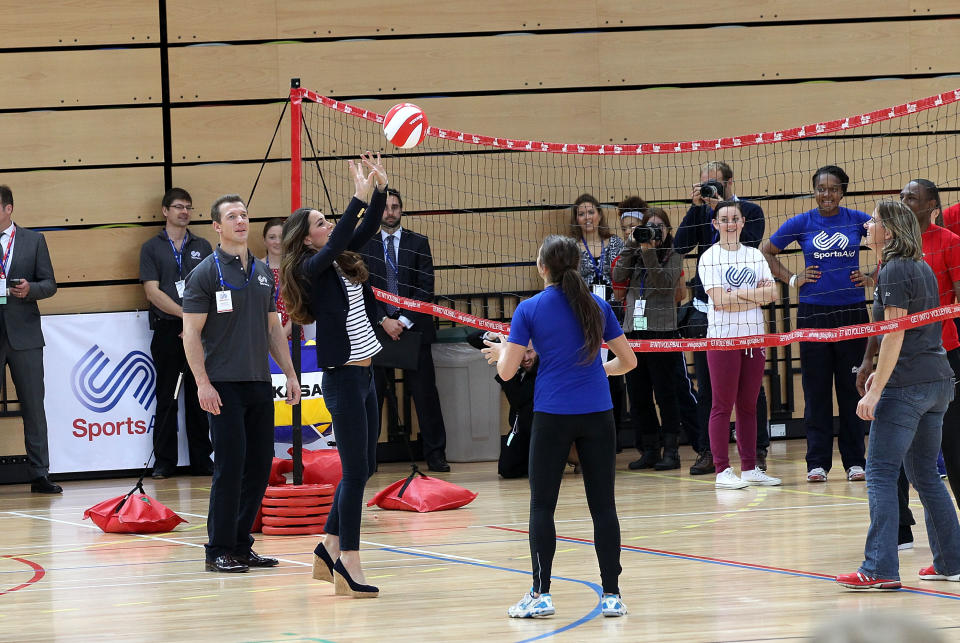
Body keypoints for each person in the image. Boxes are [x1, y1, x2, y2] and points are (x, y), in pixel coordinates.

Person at [481, 234, 637, 619]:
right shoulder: (597, 305)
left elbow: (506, 371)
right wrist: (599, 371)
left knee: (542, 506)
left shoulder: (529, 309)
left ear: (543, 268)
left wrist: (502, 351)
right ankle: (612, 595)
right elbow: (629, 361)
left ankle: (541, 594)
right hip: (598, 413)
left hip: (552, 416)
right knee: (603, 507)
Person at [836, 200, 960, 590]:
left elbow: (895, 332)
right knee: (925, 474)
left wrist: (876, 391)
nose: (867, 227)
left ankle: (879, 568)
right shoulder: (920, 265)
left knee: (881, 473)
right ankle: (952, 561)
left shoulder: (893, 268)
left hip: (908, 387)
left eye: (872, 222)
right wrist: (875, 375)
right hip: (937, 381)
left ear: (888, 232)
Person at [280, 152, 388, 598]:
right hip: (342, 378)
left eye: (327, 221)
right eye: (320, 223)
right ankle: (348, 561)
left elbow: (363, 228)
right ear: (307, 240)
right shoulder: (311, 267)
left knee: (367, 466)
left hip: (366, 374)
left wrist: (377, 191)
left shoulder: (339, 260)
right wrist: (355, 197)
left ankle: (327, 548)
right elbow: (346, 228)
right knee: (356, 469)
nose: (329, 227)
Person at [182, 193, 300, 573]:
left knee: (258, 465)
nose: (240, 221)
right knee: (229, 466)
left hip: (257, 383)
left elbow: (273, 330)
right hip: (222, 386)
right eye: (232, 216)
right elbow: (190, 334)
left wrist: (290, 374)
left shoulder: (265, 272)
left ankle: (241, 544)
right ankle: (217, 548)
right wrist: (202, 383)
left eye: (244, 215)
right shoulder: (204, 274)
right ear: (217, 227)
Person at [761, 165, 872, 483]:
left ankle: (854, 460)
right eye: (821, 188)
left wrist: (871, 277)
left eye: (833, 188)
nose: (827, 194)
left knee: (853, 388)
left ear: (843, 190)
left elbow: (891, 244)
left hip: (852, 312)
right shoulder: (802, 222)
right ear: (814, 191)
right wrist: (792, 277)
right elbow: (766, 251)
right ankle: (818, 462)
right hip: (812, 314)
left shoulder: (858, 220)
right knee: (817, 389)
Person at [674, 161, 770, 476]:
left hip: (751, 328)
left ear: (730, 182)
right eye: (705, 184)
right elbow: (679, 247)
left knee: (751, 395)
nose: (710, 189)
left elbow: (751, 252)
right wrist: (697, 208)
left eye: (714, 184)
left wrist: (738, 297)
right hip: (710, 316)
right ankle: (710, 454)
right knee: (713, 393)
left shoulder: (750, 212)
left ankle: (755, 455)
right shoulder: (705, 218)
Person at [359, 188, 449, 472]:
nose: (390, 212)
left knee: (425, 394)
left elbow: (426, 288)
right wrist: (383, 320)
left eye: (395, 207)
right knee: (372, 396)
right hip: (377, 329)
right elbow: (361, 289)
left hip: (414, 329)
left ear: (402, 210)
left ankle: (435, 454)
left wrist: (404, 320)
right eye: (385, 207)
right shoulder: (365, 244)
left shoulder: (418, 242)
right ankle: (366, 458)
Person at [698, 201, 781, 489]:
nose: (730, 223)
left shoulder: (755, 255)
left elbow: (771, 293)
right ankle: (722, 470)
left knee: (748, 404)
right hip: (723, 338)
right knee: (722, 405)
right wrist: (752, 295)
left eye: (735, 218)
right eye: (724, 219)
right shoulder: (709, 258)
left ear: (743, 222)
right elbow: (719, 301)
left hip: (754, 336)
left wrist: (737, 294)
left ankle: (749, 468)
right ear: (715, 224)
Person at [139, 187, 214, 479]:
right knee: (167, 397)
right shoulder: (152, 247)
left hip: (200, 330)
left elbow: (213, 288)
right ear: (165, 211)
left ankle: (201, 460)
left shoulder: (204, 245)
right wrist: (186, 319)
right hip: (170, 330)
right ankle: (165, 461)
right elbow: (151, 291)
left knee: (200, 396)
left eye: (189, 207)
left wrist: (196, 324)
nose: (185, 212)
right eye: (179, 206)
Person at [613, 206, 684, 470]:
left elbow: (663, 284)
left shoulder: (675, 256)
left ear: (667, 232)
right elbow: (618, 277)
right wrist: (632, 244)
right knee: (639, 394)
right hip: (633, 331)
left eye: (659, 228)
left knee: (665, 394)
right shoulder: (635, 251)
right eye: (649, 227)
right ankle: (651, 449)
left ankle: (672, 451)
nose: (653, 232)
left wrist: (648, 251)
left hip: (662, 332)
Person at [0, 186, 59, 493]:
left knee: (34, 407)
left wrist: (31, 290)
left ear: (8, 208)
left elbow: (50, 284)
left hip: (25, 334)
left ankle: (39, 474)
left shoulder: (34, 241)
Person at [568, 194, 628, 437]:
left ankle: (616, 433)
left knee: (615, 373)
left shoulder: (615, 243)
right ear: (576, 219)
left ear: (600, 214)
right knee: (592, 371)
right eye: (581, 213)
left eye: (590, 212)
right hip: (584, 318)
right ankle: (592, 432)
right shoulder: (571, 247)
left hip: (614, 315)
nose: (587, 217)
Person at [468, 330, 537, 478]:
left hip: (542, 430)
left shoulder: (544, 365)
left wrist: (504, 363)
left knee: (539, 470)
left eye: (530, 352)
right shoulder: (513, 352)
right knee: (507, 469)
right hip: (521, 428)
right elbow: (472, 338)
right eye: (521, 353)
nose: (525, 358)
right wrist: (495, 334)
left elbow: (518, 399)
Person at [260, 218, 303, 341]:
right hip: (264, 337)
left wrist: (281, 337)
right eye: (272, 237)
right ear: (264, 240)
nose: (277, 241)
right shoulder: (255, 268)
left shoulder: (294, 269)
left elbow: (299, 308)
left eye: (281, 237)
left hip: (292, 335)